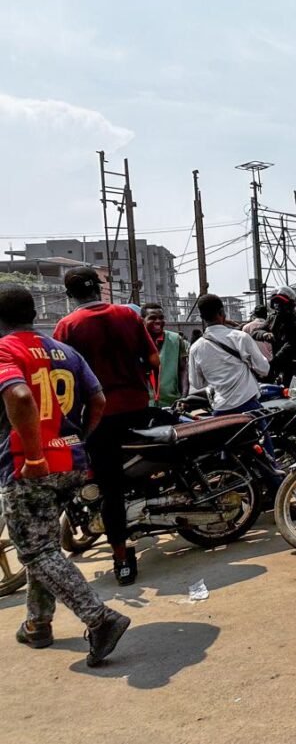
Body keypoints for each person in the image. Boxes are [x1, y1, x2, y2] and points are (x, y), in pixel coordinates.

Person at [0, 285, 131, 665]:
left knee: (34, 550)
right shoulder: (65, 351)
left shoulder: (6, 350)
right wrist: (78, 439)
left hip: (29, 463)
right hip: (70, 459)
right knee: (44, 547)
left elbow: (21, 397)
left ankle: (100, 618)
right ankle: (37, 625)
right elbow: (99, 400)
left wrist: (37, 454)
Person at [53, 267, 159, 585]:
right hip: (139, 407)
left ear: (71, 295)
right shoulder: (128, 316)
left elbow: (64, 380)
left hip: (99, 418)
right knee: (147, 467)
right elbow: (153, 361)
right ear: (100, 289)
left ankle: (122, 559)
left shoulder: (67, 326)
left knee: (110, 490)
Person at [188, 294, 283, 491]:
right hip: (248, 408)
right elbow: (264, 369)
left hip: (220, 412)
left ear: (202, 317)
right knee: (266, 457)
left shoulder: (196, 347)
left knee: (227, 458)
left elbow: (196, 382)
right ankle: (280, 497)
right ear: (222, 313)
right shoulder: (239, 337)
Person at [141, 303, 189, 407]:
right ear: (142, 320)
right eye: (152, 318)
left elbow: (183, 370)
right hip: (144, 405)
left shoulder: (176, 340)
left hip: (171, 403)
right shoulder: (135, 341)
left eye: (161, 318)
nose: (158, 321)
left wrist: (184, 397)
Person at [265, 286, 296, 385]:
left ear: (290, 305)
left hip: (292, 369)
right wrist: (264, 335)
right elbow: (256, 331)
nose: (278, 306)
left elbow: (290, 346)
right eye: (276, 303)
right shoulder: (273, 320)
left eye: (281, 303)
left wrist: (274, 363)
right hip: (277, 367)